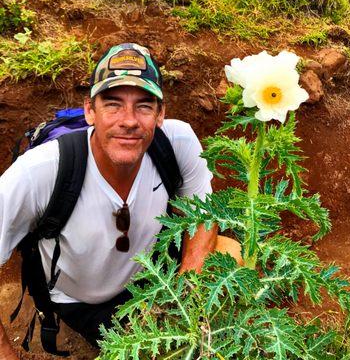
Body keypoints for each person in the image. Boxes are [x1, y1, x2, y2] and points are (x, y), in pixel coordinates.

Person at [0, 43, 217, 358]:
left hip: (156, 277)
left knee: (231, 256)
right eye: (113, 104)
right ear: (90, 110)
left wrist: (188, 289)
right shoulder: (41, 172)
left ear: (161, 113)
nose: (129, 120)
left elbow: (203, 213)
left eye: (144, 105)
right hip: (86, 300)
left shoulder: (177, 142)